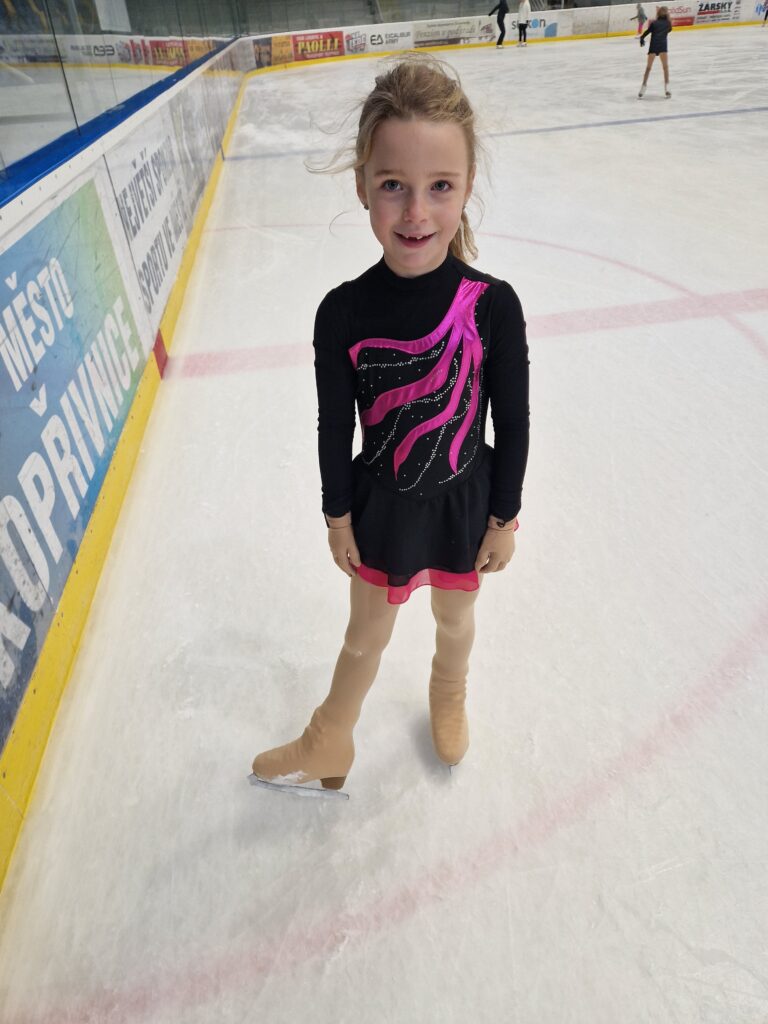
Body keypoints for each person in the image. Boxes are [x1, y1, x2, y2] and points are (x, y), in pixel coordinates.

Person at [250, 55, 530, 797]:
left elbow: (513, 420)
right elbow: (332, 426)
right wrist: (337, 516)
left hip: (464, 500)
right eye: (393, 186)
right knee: (364, 637)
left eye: (440, 186)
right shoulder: (342, 312)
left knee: (456, 621)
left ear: (467, 185)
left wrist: (504, 517)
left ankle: (449, 691)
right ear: (362, 184)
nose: (416, 213)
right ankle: (328, 738)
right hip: (382, 506)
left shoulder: (492, 305)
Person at [639, 6, 672, 98]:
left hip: (653, 46)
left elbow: (647, 32)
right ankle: (667, 89)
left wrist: (642, 38)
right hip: (662, 46)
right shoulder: (668, 23)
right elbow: (669, 30)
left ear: (658, 14)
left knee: (648, 68)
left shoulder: (654, 23)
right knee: (665, 68)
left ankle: (643, 88)